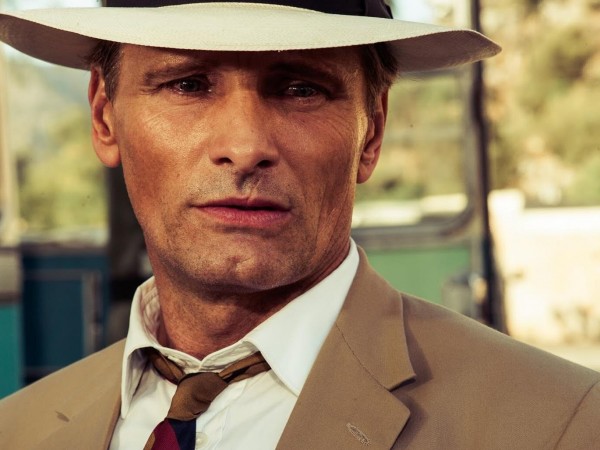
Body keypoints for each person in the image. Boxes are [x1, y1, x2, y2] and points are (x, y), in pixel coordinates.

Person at [0, 1, 598, 449]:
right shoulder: (18, 429)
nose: (245, 147)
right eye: (188, 84)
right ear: (104, 117)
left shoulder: (561, 425)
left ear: (372, 131)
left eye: (300, 89)